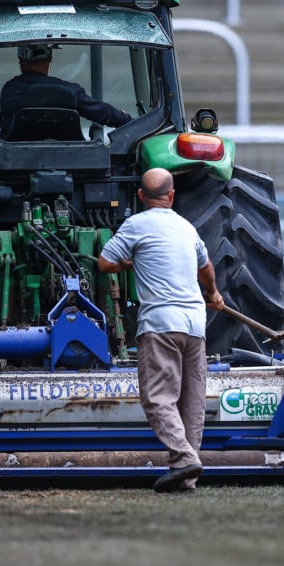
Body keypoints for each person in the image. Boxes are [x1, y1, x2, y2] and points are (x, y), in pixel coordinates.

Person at [97, 168, 224, 493]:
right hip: (195, 324)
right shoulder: (186, 226)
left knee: (157, 397)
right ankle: (187, 477)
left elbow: (104, 263)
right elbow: (206, 268)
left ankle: (183, 459)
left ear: (140, 196)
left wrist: (129, 263)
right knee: (191, 401)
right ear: (171, 196)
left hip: (161, 325)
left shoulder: (136, 224)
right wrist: (212, 293)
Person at [0, 44, 132, 137]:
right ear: (50, 59)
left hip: (12, 163)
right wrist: (129, 122)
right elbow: (101, 111)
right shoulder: (70, 92)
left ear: (20, 60)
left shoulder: (9, 91)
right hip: (71, 162)